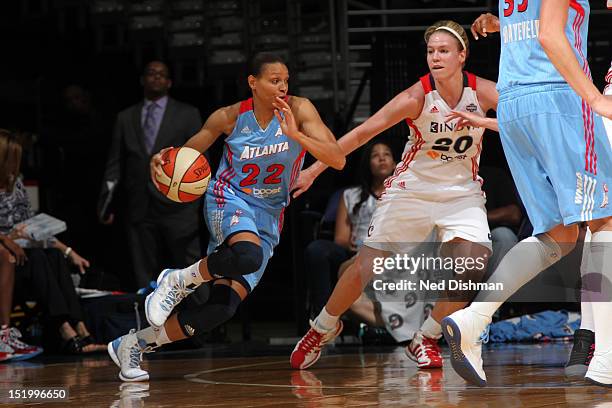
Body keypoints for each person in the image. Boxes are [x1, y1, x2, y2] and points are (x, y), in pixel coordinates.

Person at [107, 53, 345, 382]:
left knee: (219, 310)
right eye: (274, 80)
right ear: (253, 83)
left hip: (269, 214)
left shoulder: (300, 110)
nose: (283, 87)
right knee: (248, 255)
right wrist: (162, 160)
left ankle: (133, 343)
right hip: (228, 198)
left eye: (286, 80)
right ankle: (179, 279)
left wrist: (297, 135)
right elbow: (186, 157)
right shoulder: (229, 117)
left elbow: (337, 158)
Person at [289, 20, 500, 370]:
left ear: (462, 55)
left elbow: (525, 121)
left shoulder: (485, 93)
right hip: (412, 192)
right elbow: (361, 134)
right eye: (431, 51)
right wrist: (313, 170)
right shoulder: (416, 97)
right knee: (363, 268)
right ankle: (321, 328)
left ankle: (425, 337)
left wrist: (484, 123)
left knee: (473, 265)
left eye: (444, 50)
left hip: (461, 195)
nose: (435, 57)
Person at [441, 3, 612, 388]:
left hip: (515, 101)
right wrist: (595, 99)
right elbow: (551, 34)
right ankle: (604, 359)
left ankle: (474, 319)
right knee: (605, 218)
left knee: (560, 234)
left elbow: (537, 22)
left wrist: (499, 24)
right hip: (557, 96)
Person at [99, 61, 203, 289]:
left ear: (169, 82)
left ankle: (199, 320)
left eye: (161, 74)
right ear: (142, 79)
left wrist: (196, 201)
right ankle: (149, 320)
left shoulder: (187, 114)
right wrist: (106, 203)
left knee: (188, 266)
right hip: (140, 203)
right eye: (151, 73)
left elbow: (199, 160)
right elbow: (115, 163)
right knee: (143, 269)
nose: (156, 77)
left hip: (178, 205)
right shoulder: (126, 117)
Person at [0, 129, 104, 355]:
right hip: (6, 261)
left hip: (25, 254)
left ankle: (81, 329)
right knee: (38, 258)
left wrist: (68, 251)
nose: (17, 164)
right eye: (12, 159)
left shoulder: (15, 184)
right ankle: (64, 329)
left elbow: (32, 226)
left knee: (55, 256)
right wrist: (10, 239)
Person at [305, 141, 395, 317]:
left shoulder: (406, 195)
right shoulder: (350, 196)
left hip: (395, 250)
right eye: (375, 155)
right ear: (368, 164)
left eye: (387, 154)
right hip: (360, 252)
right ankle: (322, 321)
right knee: (317, 250)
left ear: (395, 163)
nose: (382, 158)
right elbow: (341, 238)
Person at [565, 61, 612, 378]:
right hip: (605, 113)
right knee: (599, 229)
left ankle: (591, 339)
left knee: (600, 231)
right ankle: (592, 339)